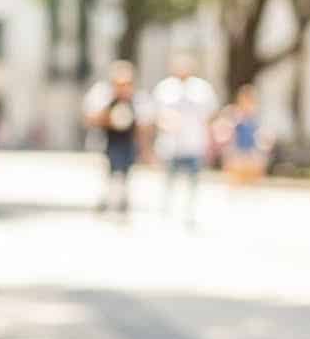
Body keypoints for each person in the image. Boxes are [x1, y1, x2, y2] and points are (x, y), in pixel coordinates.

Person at [152, 53, 218, 224]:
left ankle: (190, 212)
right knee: (169, 179)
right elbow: (156, 116)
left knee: (193, 181)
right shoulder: (165, 88)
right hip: (171, 144)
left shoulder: (202, 89)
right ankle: (166, 210)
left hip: (194, 143)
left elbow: (210, 118)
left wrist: (211, 143)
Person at [82, 60, 153, 213]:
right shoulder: (103, 96)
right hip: (106, 140)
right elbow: (90, 118)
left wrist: (146, 149)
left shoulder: (138, 99)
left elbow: (144, 126)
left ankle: (123, 202)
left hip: (127, 141)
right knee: (108, 170)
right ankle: (106, 199)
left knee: (126, 171)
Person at [219, 84, 269, 185]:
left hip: (252, 154)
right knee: (236, 182)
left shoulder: (257, 116)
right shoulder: (232, 113)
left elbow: (261, 137)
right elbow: (224, 133)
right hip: (237, 154)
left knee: (252, 182)